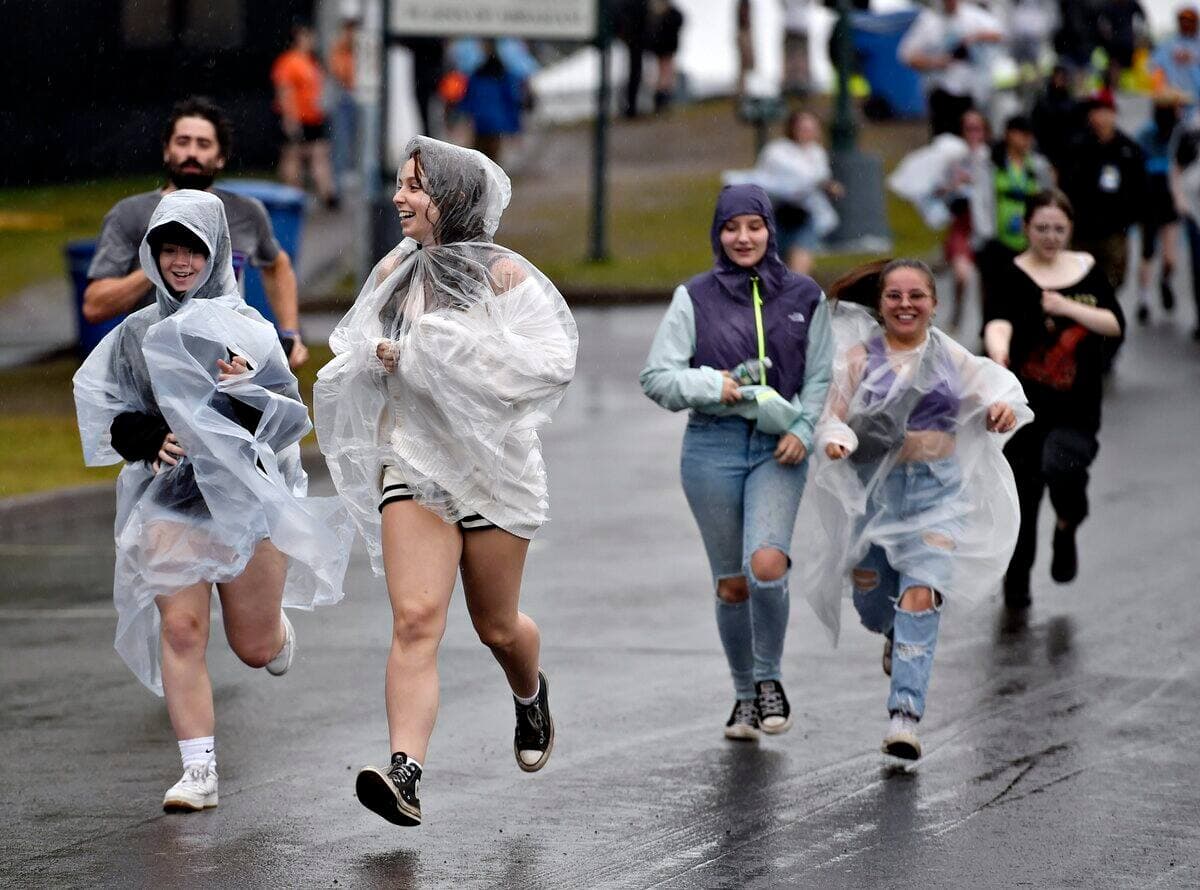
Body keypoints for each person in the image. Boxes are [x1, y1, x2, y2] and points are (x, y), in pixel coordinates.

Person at [314, 137, 577, 827]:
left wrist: (440, 356)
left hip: (496, 472)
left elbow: (552, 364)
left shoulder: (506, 275)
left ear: (453, 198)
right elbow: (353, 343)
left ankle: (529, 695)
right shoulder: (398, 270)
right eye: (400, 183)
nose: (399, 197)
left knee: (496, 626)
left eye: (415, 186)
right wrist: (375, 355)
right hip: (417, 462)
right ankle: (406, 771)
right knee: (416, 619)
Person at [72, 190, 352, 812]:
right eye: (168, 248)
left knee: (252, 648)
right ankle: (198, 771)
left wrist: (244, 389)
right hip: (170, 505)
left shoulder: (247, 329)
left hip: (246, 504)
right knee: (181, 628)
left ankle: (275, 632)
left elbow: (287, 421)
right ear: (151, 254)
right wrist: (146, 438)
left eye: (191, 250)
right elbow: (109, 409)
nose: (179, 262)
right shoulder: (136, 334)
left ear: (217, 253)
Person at [797, 258, 1029, 760]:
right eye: (895, 297)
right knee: (873, 602)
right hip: (872, 498)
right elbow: (830, 415)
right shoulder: (858, 358)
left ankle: (905, 715)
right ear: (880, 305)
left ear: (934, 304)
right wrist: (836, 437)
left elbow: (996, 391)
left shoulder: (949, 356)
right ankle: (890, 630)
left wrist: (998, 410)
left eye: (916, 296)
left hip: (937, 497)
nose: (906, 305)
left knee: (921, 595)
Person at [640, 184, 833, 742]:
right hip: (711, 447)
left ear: (771, 230)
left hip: (779, 448)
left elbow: (821, 375)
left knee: (766, 564)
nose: (743, 238)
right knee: (731, 584)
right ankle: (744, 694)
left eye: (753, 226)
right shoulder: (694, 296)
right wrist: (711, 385)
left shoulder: (803, 295)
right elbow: (657, 377)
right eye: (731, 227)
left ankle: (770, 679)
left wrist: (803, 427)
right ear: (717, 235)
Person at [83, 97, 309, 368]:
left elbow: (277, 265)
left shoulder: (245, 212)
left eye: (203, 144)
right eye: (182, 142)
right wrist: (153, 269)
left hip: (224, 371)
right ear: (166, 151)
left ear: (221, 157)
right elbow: (94, 306)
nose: (192, 153)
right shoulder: (132, 213)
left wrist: (290, 333)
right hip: (153, 369)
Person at [983, 190, 1125, 610]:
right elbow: (997, 322)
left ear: (1070, 230)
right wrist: (999, 355)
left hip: (1077, 408)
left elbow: (1114, 323)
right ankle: (1017, 585)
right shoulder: (1010, 273)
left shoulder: (1087, 271)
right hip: (1024, 409)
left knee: (1062, 465)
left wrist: (1066, 306)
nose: (1050, 236)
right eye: (1041, 227)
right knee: (1023, 496)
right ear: (1026, 227)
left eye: (1058, 229)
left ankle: (1067, 525)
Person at [723, 111, 843, 276]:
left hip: (804, 217)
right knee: (768, 268)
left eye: (812, 129)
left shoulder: (817, 153)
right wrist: (820, 183)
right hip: (776, 216)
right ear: (793, 129)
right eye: (804, 128)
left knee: (800, 267)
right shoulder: (778, 152)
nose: (808, 133)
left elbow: (819, 179)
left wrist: (828, 186)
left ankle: (797, 296)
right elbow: (787, 180)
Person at [1060, 95, 1146, 291]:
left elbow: (1140, 191)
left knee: (1112, 283)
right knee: (1080, 285)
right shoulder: (1078, 147)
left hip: (1114, 232)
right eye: (1095, 111)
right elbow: (1066, 185)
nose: (1100, 117)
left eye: (1104, 111)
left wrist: (1132, 221)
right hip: (1082, 231)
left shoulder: (1128, 149)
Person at [898, 0, 1006, 136]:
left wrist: (975, 37)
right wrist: (935, 62)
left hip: (971, 93)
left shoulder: (972, 16)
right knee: (945, 140)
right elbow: (906, 55)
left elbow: (1000, 34)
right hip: (941, 94)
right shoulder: (929, 21)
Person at [977, 115, 1056, 298]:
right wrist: (986, 234)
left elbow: (1047, 196)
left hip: (1030, 239)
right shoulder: (991, 163)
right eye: (1022, 134)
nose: (1027, 140)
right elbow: (982, 199)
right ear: (1010, 135)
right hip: (998, 241)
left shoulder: (1037, 165)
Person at [272, 23, 338, 209]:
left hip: (313, 117)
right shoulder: (288, 62)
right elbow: (284, 91)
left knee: (319, 154)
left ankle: (328, 194)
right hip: (296, 117)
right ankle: (291, 195)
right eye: (307, 36)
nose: (311, 41)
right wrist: (290, 118)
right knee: (292, 155)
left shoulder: (312, 62)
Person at [1134, 97, 1182, 323]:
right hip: (1149, 199)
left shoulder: (1179, 135)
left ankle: (1166, 281)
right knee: (1147, 252)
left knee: (1170, 255)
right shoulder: (1146, 134)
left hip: (1170, 199)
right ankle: (1144, 299)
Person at [328, 14, 360, 189]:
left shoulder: (363, 49)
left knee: (360, 142)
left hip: (361, 97)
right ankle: (339, 183)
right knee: (342, 142)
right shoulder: (339, 48)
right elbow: (339, 73)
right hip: (345, 97)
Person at [1150, 6, 1200, 105]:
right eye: (1183, 20)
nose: (1186, 23)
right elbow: (1156, 67)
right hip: (1175, 99)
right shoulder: (1168, 45)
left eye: (1190, 20)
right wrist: (1161, 90)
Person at [646, 0, 685, 112]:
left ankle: (661, 102)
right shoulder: (670, 14)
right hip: (666, 49)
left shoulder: (656, 14)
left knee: (663, 74)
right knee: (666, 74)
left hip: (662, 48)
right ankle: (662, 102)